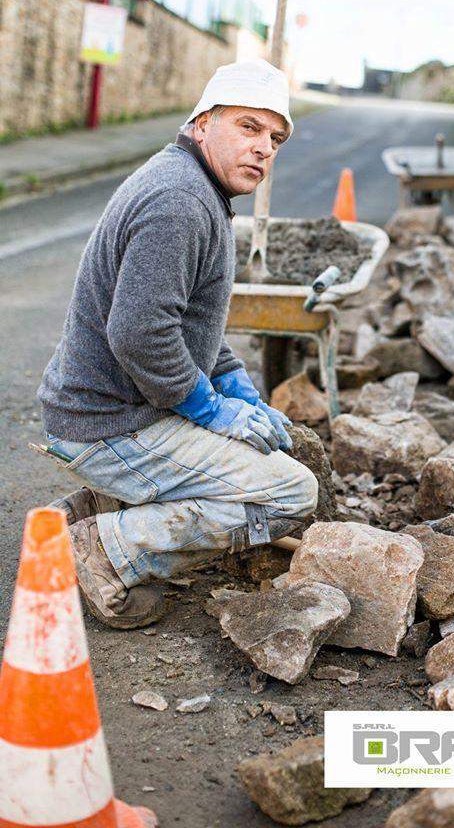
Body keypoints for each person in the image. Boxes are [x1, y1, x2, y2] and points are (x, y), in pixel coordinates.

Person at [37, 59, 318, 629]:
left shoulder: (194, 187)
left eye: (275, 137)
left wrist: (237, 385)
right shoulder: (181, 202)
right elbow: (140, 335)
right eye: (248, 127)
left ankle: (103, 509)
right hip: (110, 423)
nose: (264, 148)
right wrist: (211, 410)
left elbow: (190, 324)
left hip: (114, 410)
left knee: (266, 454)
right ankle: (103, 552)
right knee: (290, 493)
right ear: (201, 123)